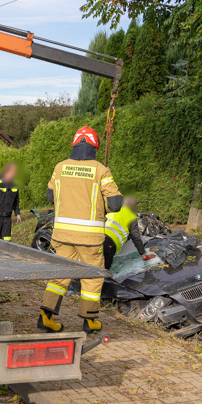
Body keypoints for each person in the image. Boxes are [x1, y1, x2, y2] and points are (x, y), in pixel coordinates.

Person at [39, 126, 123, 334]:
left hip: (62, 235)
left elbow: (50, 197)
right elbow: (114, 204)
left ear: (75, 144)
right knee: (92, 277)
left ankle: (46, 317)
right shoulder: (101, 170)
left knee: (60, 275)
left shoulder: (60, 167)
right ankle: (89, 321)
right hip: (90, 238)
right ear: (95, 146)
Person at [102, 196, 156, 269]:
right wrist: (143, 255)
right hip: (109, 243)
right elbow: (136, 237)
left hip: (95, 237)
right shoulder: (131, 217)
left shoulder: (112, 210)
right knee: (103, 272)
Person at [0, 162, 21, 241]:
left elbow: (16, 202)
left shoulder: (15, 186)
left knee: (7, 240)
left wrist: (17, 213)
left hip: (7, 219)